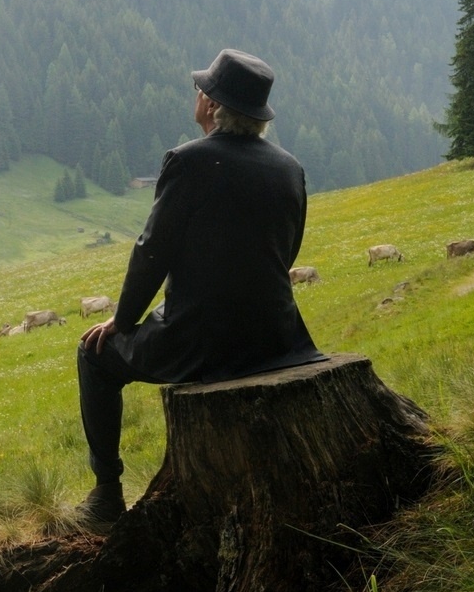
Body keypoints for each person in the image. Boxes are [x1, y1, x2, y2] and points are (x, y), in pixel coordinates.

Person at [75, 48, 325, 527]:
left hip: (202, 343)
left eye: (200, 88)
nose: (196, 94)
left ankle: (106, 495)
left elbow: (152, 252)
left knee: (94, 355)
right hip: (280, 338)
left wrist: (122, 321)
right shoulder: (289, 167)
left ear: (211, 105)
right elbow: (286, 254)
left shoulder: (188, 161)